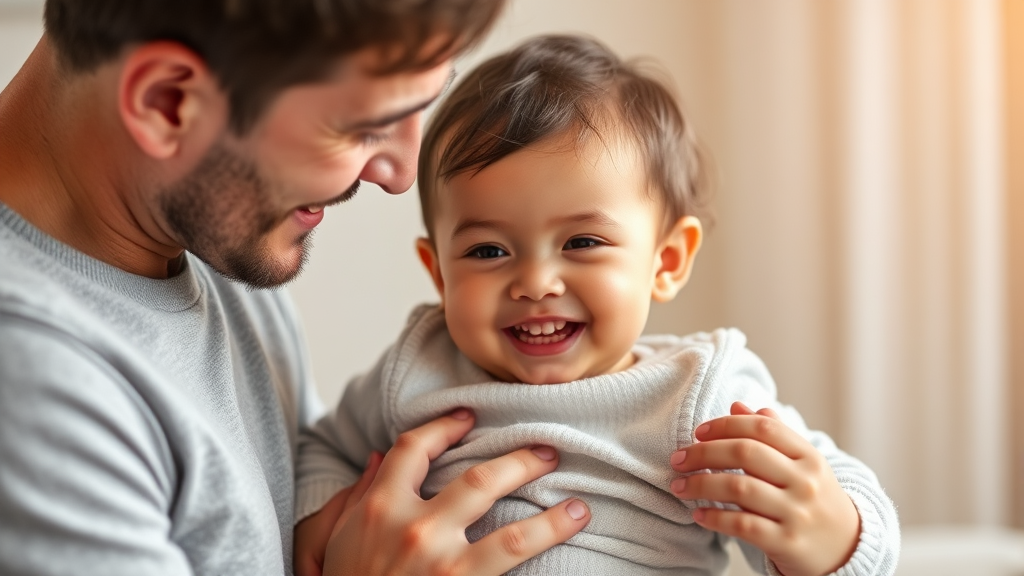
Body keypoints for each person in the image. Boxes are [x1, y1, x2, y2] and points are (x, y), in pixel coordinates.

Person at [0, 2, 595, 575]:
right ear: (167, 102)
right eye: (363, 127)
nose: (401, 174)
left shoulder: (215, 237)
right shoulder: (34, 387)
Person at [298, 35, 901, 576]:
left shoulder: (694, 396)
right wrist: (318, 520)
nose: (535, 283)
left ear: (666, 261)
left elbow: (827, 479)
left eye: (581, 242)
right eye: (487, 250)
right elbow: (328, 446)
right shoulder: (420, 364)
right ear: (439, 274)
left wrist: (836, 541)